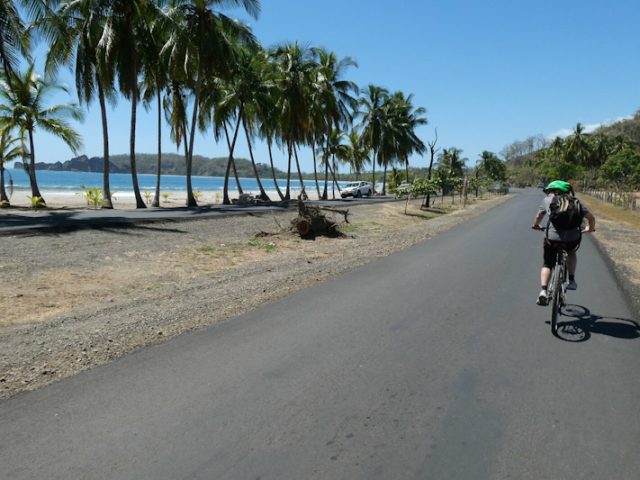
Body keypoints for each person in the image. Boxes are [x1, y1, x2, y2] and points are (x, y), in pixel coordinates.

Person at [532, 180, 596, 306]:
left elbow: (539, 216)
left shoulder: (547, 201)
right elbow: (591, 218)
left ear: (552, 191)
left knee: (547, 263)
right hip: (572, 239)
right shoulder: (575, 202)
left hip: (552, 239)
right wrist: (590, 228)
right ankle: (571, 280)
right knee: (571, 252)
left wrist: (536, 225)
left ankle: (543, 291)